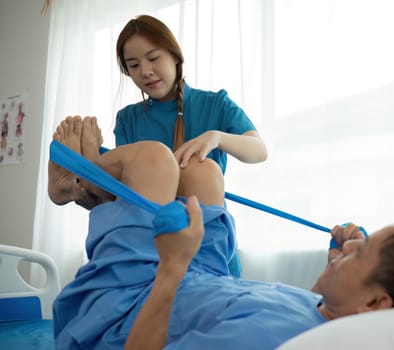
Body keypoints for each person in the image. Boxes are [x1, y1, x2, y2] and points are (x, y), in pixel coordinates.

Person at [51, 117, 394, 350]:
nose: (352, 241)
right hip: (203, 277)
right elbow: (301, 306)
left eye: (361, 251)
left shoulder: (265, 342)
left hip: (132, 301)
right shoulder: (335, 314)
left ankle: (82, 180)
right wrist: (335, 267)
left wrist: (171, 267)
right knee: (202, 170)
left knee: (156, 160)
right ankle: (99, 190)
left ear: (375, 302)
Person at [50, 14, 268, 277]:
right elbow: (125, 197)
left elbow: (258, 150)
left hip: (205, 243)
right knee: (149, 162)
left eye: (153, 59)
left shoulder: (215, 104)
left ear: (175, 56)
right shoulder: (128, 118)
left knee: (198, 169)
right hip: (148, 244)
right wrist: (93, 200)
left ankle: (85, 172)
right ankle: (80, 182)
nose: (145, 72)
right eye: (133, 65)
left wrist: (216, 137)